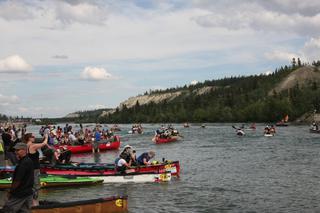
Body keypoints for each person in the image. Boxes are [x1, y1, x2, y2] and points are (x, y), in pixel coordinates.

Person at [2, 143, 34, 213]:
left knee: (7, 210)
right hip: (28, 192)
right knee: (24, 211)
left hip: (20, 193)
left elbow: (17, 181)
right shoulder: (28, 161)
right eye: (15, 150)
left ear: (24, 150)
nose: (15, 152)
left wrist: (11, 192)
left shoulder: (23, 163)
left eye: (18, 150)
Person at [24, 133, 48, 206]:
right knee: (36, 186)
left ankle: (29, 201)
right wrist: (46, 137)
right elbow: (44, 143)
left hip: (29, 168)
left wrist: (38, 158)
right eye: (33, 137)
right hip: (35, 169)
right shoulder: (33, 146)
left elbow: (30, 156)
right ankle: (34, 203)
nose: (34, 138)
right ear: (29, 138)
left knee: (30, 185)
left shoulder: (25, 146)